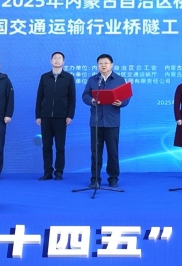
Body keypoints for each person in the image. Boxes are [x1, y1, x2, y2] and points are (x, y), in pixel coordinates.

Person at [81, 54, 131, 188]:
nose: (103, 65)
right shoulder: (93, 80)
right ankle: (95, 179)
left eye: (106, 63)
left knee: (112, 152)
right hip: (96, 121)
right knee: (95, 152)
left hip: (112, 121)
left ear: (111, 65)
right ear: (98, 65)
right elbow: (85, 95)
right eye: (100, 63)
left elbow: (126, 97)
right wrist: (92, 100)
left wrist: (121, 102)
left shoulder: (119, 79)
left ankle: (113, 177)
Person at [35, 51, 76, 181]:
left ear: (63, 62)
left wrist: (69, 115)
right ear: (51, 61)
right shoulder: (44, 77)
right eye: (55, 58)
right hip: (45, 116)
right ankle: (47, 172)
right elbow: (39, 97)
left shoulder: (68, 77)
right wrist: (38, 115)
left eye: (59, 58)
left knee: (60, 146)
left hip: (61, 117)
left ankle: (59, 172)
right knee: (46, 146)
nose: (57, 60)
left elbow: (72, 99)